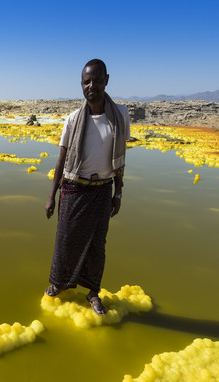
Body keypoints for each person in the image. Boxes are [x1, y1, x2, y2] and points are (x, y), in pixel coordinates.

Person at [44, 59, 130, 315]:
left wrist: (119, 191)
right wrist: (52, 196)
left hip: (102, 190)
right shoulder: (73, 119)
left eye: (97, 80)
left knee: (96, 245)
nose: (92, 85)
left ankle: (93, 292)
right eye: (86, 81)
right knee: (65, 240)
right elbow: (61, 158)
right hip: (74, 187)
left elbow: (120, 158)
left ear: (106, 80)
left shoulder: (120, 114)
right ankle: (59, 283)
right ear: (81, 85)